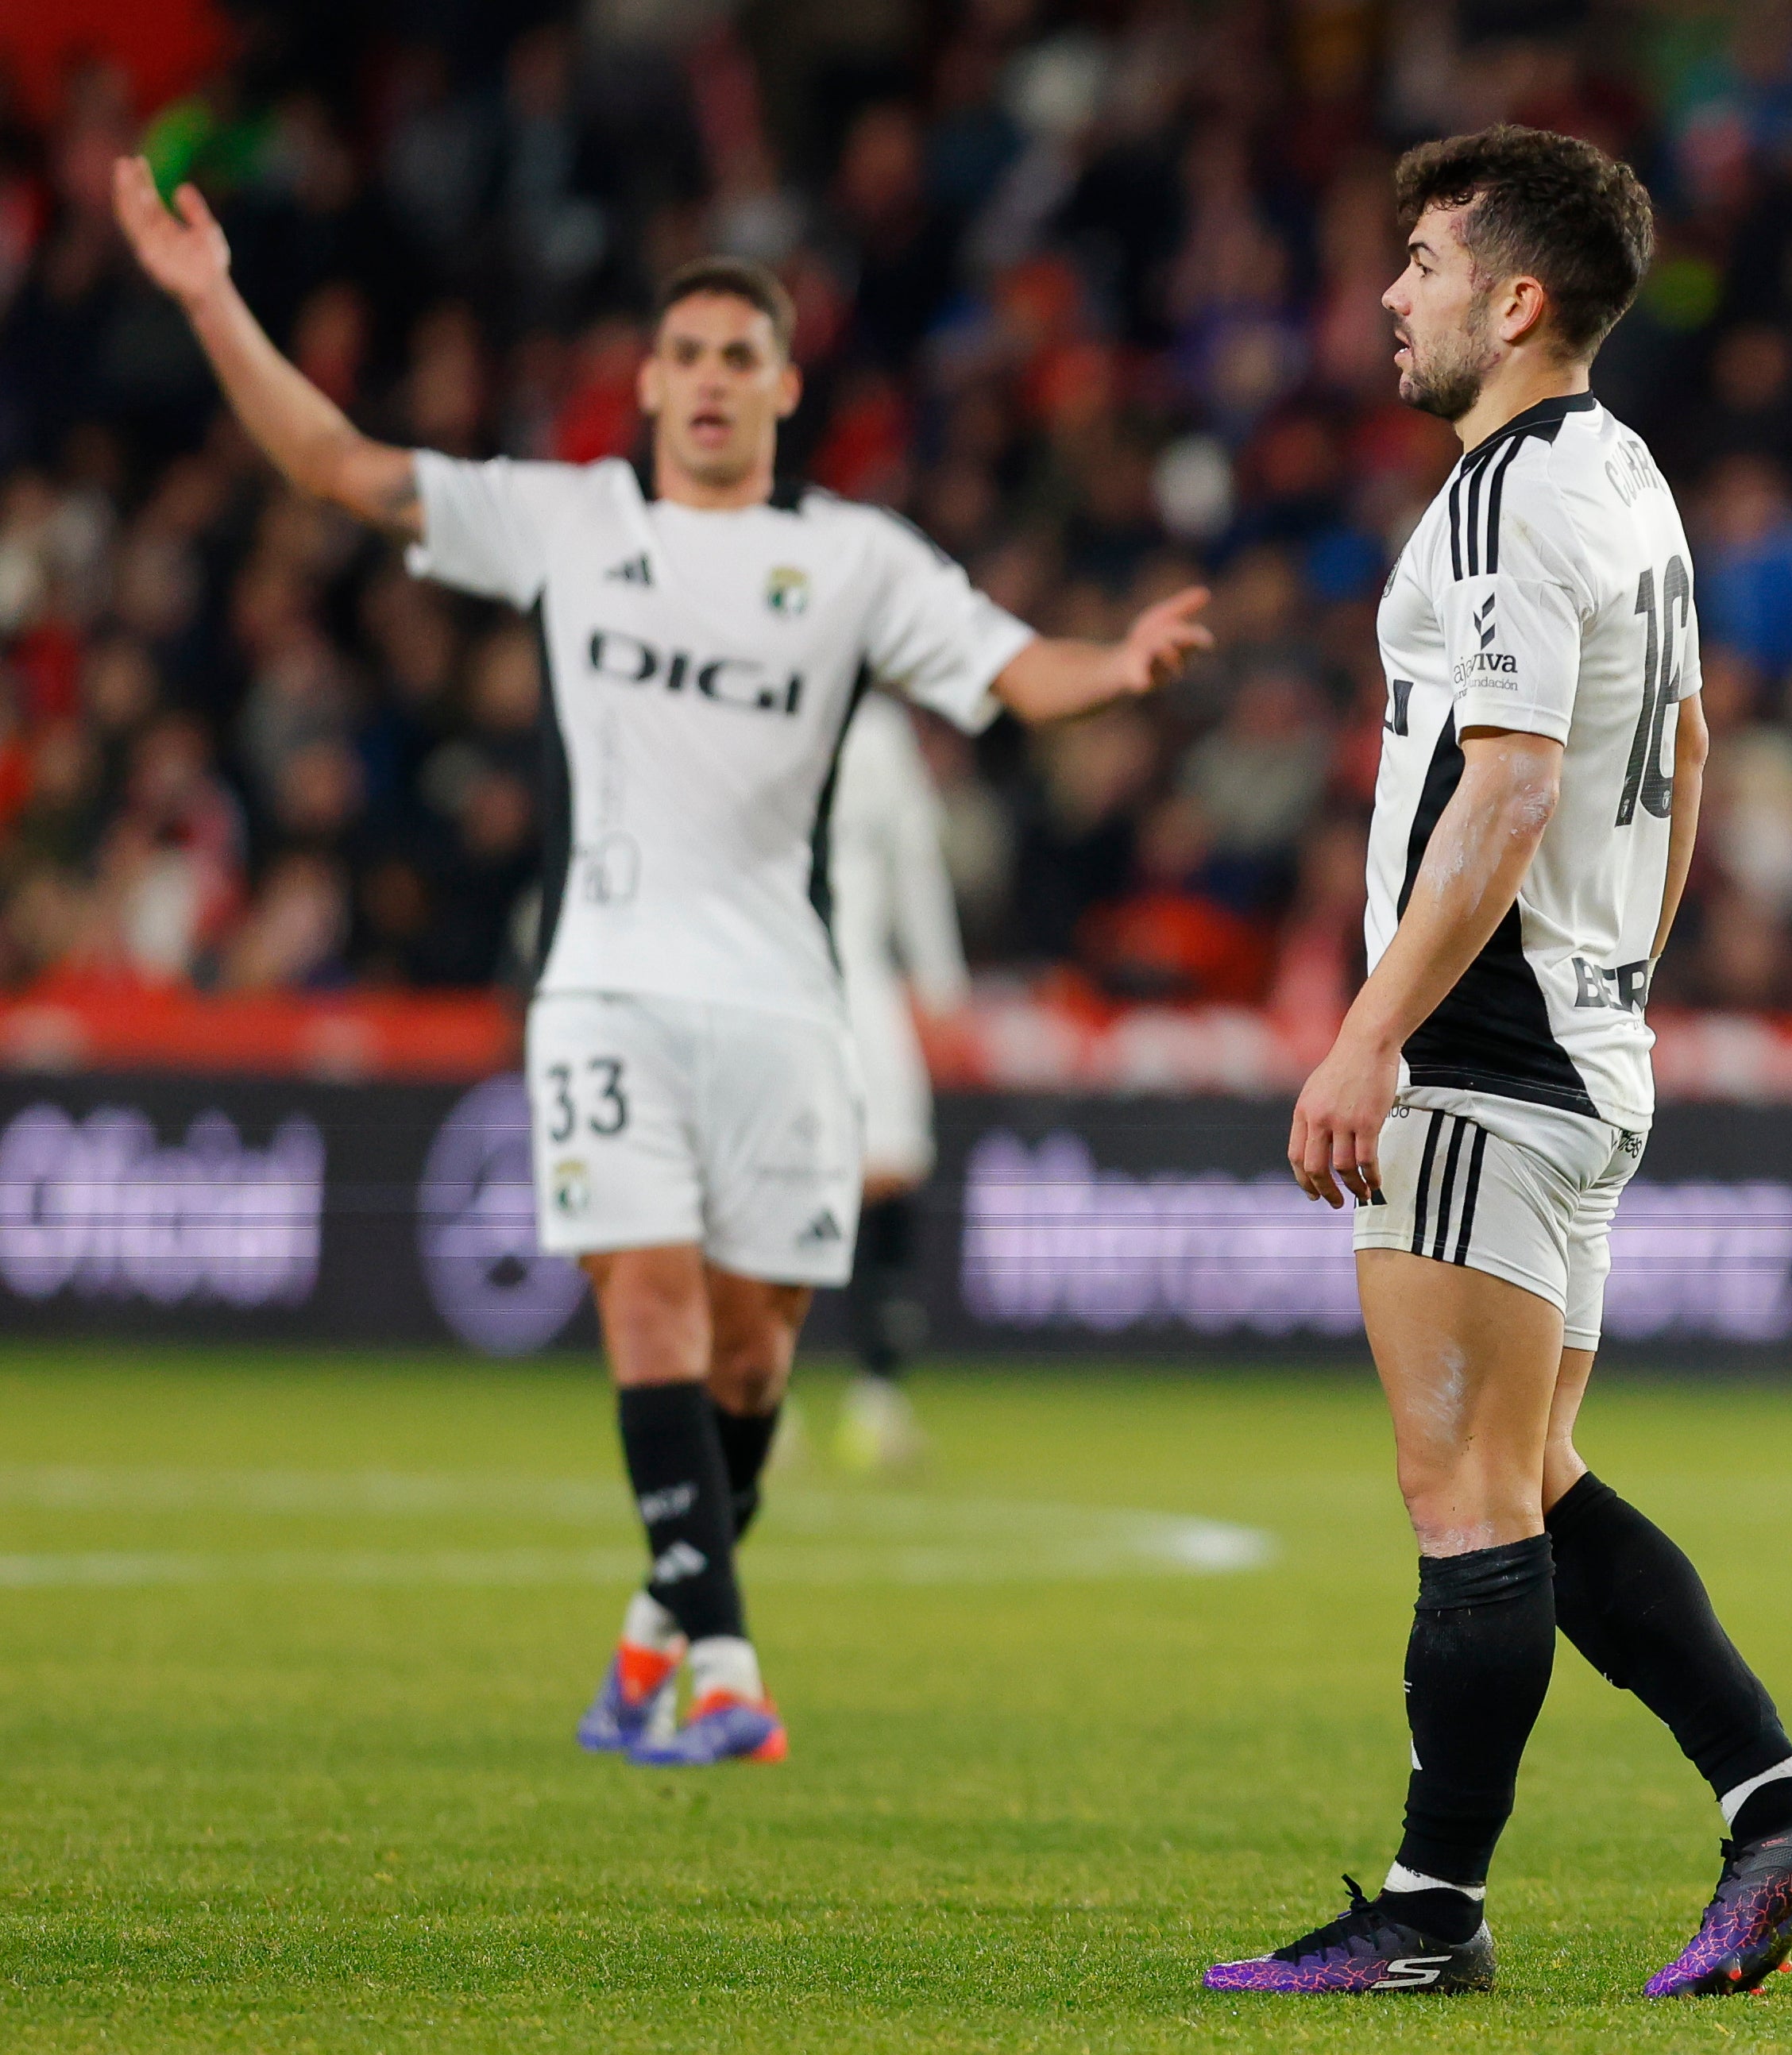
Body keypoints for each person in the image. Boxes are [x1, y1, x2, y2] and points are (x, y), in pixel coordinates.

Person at [114, 162, 1211, 1767]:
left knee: (755, 1338)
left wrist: (1112, 668)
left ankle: (650, 1633)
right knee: (645, 1293)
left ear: (783, 384)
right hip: (608, 976)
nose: (707, 380)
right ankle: (722, 1665)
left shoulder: (853, 560)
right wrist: (211, 295)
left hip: (785, 997)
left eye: (736, 356)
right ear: (644, 381)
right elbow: (332, 463)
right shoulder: (571, 521)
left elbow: (1011, 670)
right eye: (684, 353)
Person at [1204, 126, 1792, 2000]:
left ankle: (1431, 1915)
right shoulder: (1631, 479)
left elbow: (1505, 787)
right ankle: (1780, 1806)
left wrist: (1367, 1034)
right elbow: (1682, 751)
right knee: (1538, 1470)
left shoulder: (1509, 501)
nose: (1389, 295)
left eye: (1421, 261)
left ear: (1514, 299)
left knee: (1468, 1500)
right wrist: (1617, 983)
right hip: (1578, 1034)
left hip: (1493, 1047)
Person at [828, 697, 962, 1473]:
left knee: (781, 1183)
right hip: (844, 984)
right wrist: (941, 985)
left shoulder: (744, 693)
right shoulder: (874, 731)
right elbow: (913, 864)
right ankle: (874, 1401)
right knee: (887, 1172)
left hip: (769, 983)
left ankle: (761, 1399)